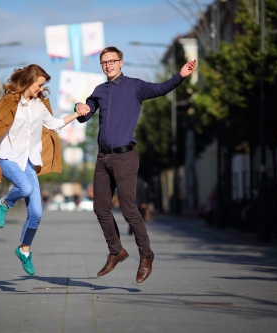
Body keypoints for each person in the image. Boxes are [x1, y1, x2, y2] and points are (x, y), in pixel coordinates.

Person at [75, 46, 196, 283]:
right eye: (104, 62)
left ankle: (146, 255)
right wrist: (79, 106)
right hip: (103, 157)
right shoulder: (99, 90)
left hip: (125, 156)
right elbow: (86, 114)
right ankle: (116, 251)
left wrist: (180, 76)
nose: (108, 65)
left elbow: (160, 89)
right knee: (100, 207)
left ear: (121, 62)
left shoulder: (135, 86)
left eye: (112, 61)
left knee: (129, 209)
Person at [0, 64, 82, 276]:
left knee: (36, 214)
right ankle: (4, 202)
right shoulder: (9, 102)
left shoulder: (39, 106)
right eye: (39, 85)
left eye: (43, 86)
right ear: (28, 81)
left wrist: (76, 114)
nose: (41, 89)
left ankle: (24, 250)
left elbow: (54, 124)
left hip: (28, 161)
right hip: (6, 157)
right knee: (23, 187)